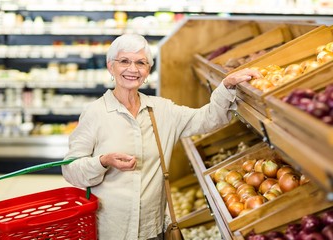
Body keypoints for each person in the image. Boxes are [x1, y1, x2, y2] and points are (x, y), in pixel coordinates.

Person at [61, 33, 262, 240]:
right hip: (109, 230)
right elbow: (70, 169)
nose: (132, 69)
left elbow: (208, 119)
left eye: (141, 62)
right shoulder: (95, 113)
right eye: (124, 61)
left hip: (152, 230)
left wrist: (226, 86)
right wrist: (103, 161)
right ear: (111, 67)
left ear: (148, 70)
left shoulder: (162, 110)